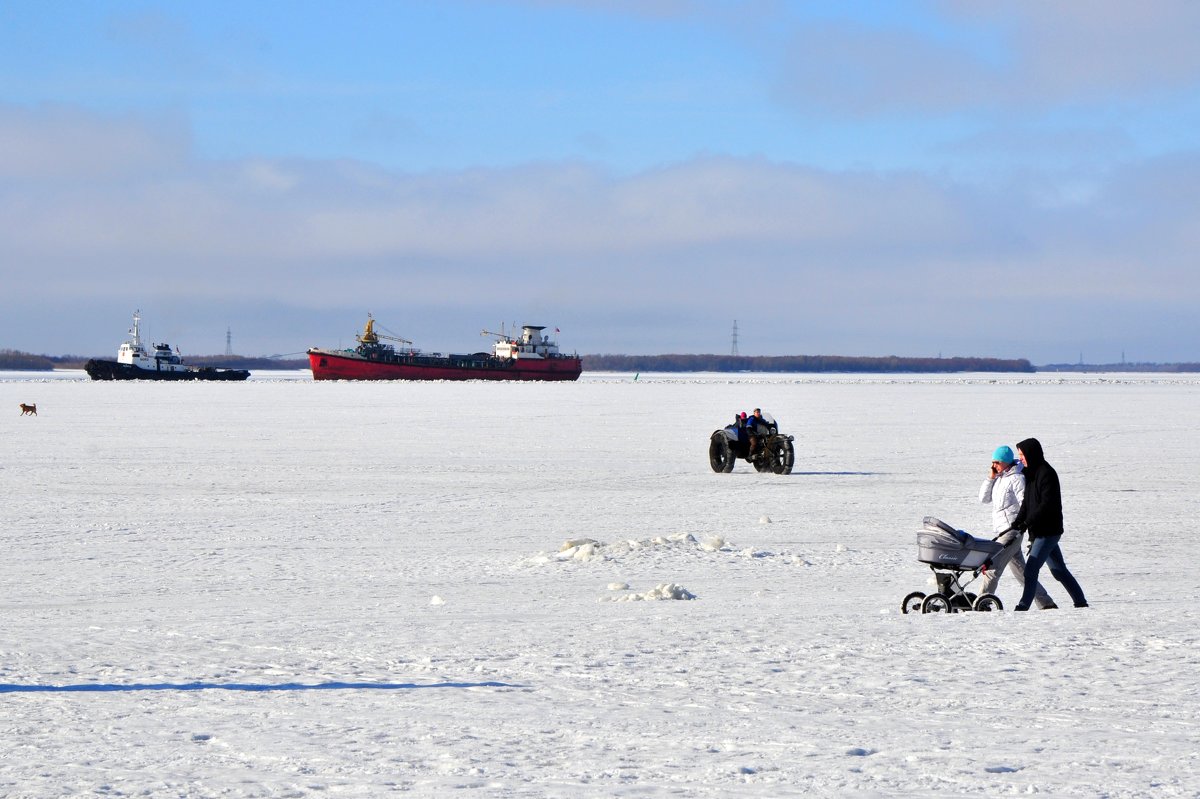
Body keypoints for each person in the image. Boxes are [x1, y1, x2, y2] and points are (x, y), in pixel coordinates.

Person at [1010, 438, 1089, 611]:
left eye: (1022, 455)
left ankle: (1023, 606)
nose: (1020, 458)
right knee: (1058, 571)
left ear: (1032, 454)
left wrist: (1027, 522)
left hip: (1048, 531)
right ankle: (1081, 602)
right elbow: (1027, 503)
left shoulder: (1047, 473)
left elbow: (1046, 505)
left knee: (1030, 570)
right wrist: (1018, 522)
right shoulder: (1030, 473)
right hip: (1039, 530)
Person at [978, 445, 1057, 609]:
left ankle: (982, 602)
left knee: (993, 567)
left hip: (1012, 530)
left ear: (1006, 462)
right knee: (1022, 573)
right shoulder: (999, 478)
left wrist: (1021, 526)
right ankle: (1046, 603)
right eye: (992, 462)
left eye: (997, 462)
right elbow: (983, 499)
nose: (994, 466)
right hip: (1002, 531)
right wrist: (990, 478)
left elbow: (1026, 503)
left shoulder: (1017, 478)